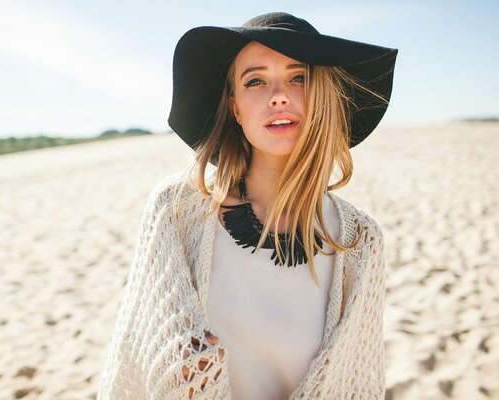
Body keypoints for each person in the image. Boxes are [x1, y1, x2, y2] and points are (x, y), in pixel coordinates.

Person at [96, 12, 398, 400]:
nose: (278, 95)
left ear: (324, 95)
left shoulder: (360, 242)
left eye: (298, 77)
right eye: (255, 81)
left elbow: (358, 383)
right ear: (236, 108)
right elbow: (133, 364)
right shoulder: (177, 211)